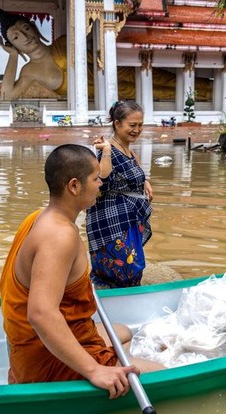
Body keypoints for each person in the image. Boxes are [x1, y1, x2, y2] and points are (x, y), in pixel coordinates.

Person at [0, 144, 160, 397]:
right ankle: (102, 366)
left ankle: (114, 358)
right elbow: (40, 313)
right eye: (96, 179)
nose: (101, 185)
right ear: (74, 186)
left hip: (32, 345)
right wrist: (94, 370)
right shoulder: (59, 235)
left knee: (124, 332)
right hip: (43, 362)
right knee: (165, 371)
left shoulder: (38, 216)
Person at [86, 101, 153, 288]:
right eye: (132, 125)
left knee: (133, 265)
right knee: (124, 267)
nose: (137, 130)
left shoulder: (128, 150)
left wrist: (145, 181)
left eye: (140, 125)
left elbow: (135, 171)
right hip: (111, 221)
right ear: (117, 124)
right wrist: (106, 150)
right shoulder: (107, 150)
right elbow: (102, 181)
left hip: (128, 219)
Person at [0, 1, 94, 100]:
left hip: (102, 94)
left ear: (35, 28)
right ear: (15, 46)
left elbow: (98, 63)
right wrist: (13, 56)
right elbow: (6, 97)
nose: (25, 37)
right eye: (16, 38)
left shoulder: (62, 43)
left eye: (26, 29)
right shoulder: (29, 71)